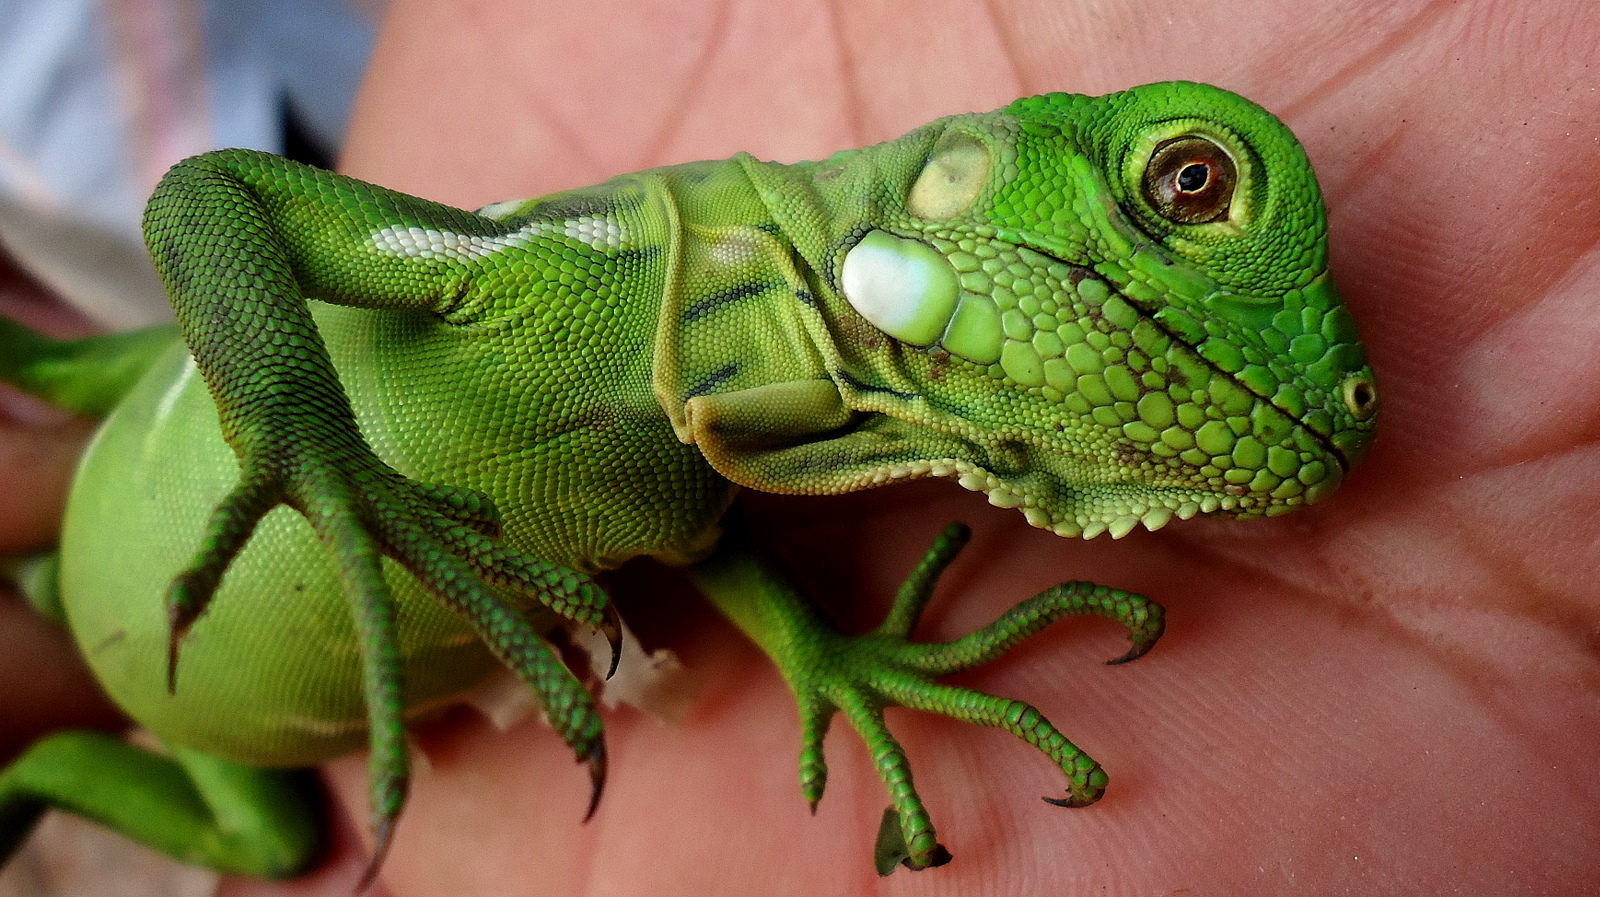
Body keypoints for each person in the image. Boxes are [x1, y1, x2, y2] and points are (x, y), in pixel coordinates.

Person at [5, 1, 1598, 894]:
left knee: (265, 846)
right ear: (970, 174)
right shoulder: (575, 270)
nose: (1187, 216)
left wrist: (824, 657)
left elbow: (698, 535)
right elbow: (209, 206)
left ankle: (34, 766)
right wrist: (298, 433)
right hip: (151, 464)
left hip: (260, 763)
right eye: (1188, 188)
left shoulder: (755, 454)